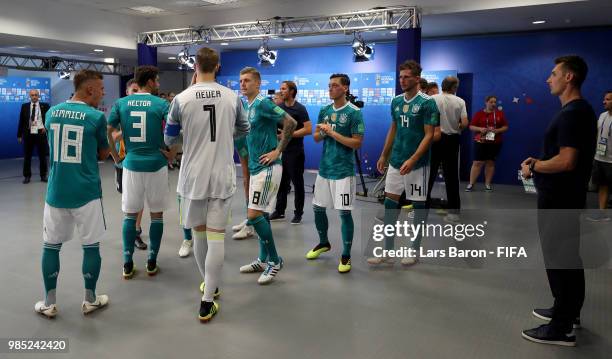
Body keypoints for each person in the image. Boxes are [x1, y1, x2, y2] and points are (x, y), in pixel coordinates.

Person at [166, 47, 249, 322]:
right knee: (216, 237)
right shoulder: (232, 96)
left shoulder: (180, 99)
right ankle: (208, 296)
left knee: (200, 235)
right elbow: (244, 129)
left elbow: (169, 139)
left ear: (195, 66)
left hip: (192, 176)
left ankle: (208, 288)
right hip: (221, 175)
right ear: (218, 66)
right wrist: (225, 136)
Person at [520, 55, 596, 347]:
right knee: (567, 257)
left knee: (560, 258)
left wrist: (535, 166)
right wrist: (539, 161)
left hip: (560, 199)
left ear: (568, 77)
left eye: (553, 74)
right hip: (565, 196)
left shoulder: (573, 113)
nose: (548, 79)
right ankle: (567, 310)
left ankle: (561, 327)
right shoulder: (578, 111)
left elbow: (566, 162)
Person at [34, 70, 110, 318]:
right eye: (101, 88)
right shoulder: (96, 117)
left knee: (51, 246)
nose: (103, 92)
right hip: (86, 191)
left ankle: (49, 302)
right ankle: (89, 299)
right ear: (89, 90)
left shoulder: (51, 113)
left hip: (56, 192)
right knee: (91, 246)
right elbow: (101, 155)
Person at [369, 60, 439, 266]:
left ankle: (414, 249)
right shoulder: (396, 101)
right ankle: (387, 250)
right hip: (396, 160)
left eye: (406, 76)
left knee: (418, 205)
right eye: (400, 76)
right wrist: (384, 154)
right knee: (390, 203)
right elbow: (393, 129)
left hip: (417, 163)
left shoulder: (427, 102)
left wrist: (414, 158)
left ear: (417, 79)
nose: (402, 80)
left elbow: (429, 135)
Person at [107, 66, 172, 280]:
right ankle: (152, 261)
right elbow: (176, 128)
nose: (159, 85)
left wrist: (116, 158)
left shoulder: (121, 104)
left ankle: (127, 263)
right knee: (156, 215)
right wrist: (171, 152)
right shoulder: (161, 103)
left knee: (130, 215)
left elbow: (108, 130)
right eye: (157, 80)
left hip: (131, 165)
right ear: (151, 81)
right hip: (156, 164)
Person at [238, 67, 297, 284]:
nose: (243, 84)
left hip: (268, 168)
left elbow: (291, 122)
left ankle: (275, 260)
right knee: (261, 215)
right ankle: (262, 259)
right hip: (255, 167)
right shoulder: (246, 104)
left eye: (247, 81)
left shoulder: (264, 103)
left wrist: (278, 150)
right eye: (241, 81)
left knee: (253, 215)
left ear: (258, 84)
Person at [305, 73, 365, 273]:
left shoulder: (354, 112)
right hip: (325, 169)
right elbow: (315, 137)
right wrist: (323, 132)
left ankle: (346, 255)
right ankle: (324, 243)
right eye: (329, 85)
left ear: (345, 88)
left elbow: (357, 143)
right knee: (317, 208)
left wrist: (332, 133)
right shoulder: (324, 110)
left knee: (344, 213)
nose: (330, 88)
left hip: (343, 170)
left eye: (335, 86)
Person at [269, 81, 312, 224]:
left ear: (292, 91)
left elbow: (308, 129)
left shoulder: (300, 109)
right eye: (280, 89)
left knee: (298, 184)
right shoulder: (279, 108)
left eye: (284, 89)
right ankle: (279, 211)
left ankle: (298, 213)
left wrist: (288, 134)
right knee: (281, 183)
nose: (281, 91)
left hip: (295, 152)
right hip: (281, 151)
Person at [113, 79, 148, 250]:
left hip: (140, 160)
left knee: (139, 198)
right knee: (129, 201)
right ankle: (130, 229)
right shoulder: (120, 110)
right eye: (133, 90)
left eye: (138, 90)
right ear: (127, 92)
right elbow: (111, 138)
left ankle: (136, 230)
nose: (136, 93)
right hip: (123, 161)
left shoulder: (147, 110)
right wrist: (125, 131)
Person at [427, 76, 468, 223]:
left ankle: (421, 210)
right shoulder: (460, 101)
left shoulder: (432, 99)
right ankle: (454, 213)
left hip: (434, 139)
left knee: (429, 175)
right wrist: (454, 126)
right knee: (451, 177)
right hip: (452, 140)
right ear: (454, 87)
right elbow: (464, 123)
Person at [466, 95, 509, 191]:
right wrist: (480, 129)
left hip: (495, 142)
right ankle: (471, 184)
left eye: (495, 102)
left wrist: (497, 130)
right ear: (486, 102)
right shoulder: (479, 114)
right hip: (480, 141)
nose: (493, 104)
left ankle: (487, 184)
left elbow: (505, 127)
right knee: (477, 162)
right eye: (491, 102)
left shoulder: (499, 114)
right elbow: (471, 126)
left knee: (490, 162)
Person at [586, 90, 612, 222]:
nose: (604, 101)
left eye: (608, 99)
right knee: (603, 185)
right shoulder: (602, 116)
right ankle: (602, 213)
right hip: (600, 158)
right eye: (604, 99)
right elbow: (597, 134)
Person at [17, 89, 50, 183]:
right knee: (27, 156)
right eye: (32, 95)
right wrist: (19, 135)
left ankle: (43, 175)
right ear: (29, 96)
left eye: (36, 95)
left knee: (42, 156)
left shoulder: (45, 106)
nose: (34, 96)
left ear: (38, 96)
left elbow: (50, 118)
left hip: (41, 133)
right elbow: (21, 121)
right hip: (28, 134)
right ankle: (27, 176)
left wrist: (46, 127)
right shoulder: (24, 106)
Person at [231, 136, 256, 239]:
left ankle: (251, 225)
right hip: (241, 142)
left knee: (253, 182)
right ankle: (249, 219)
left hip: (252, 143)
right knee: (246, 181)